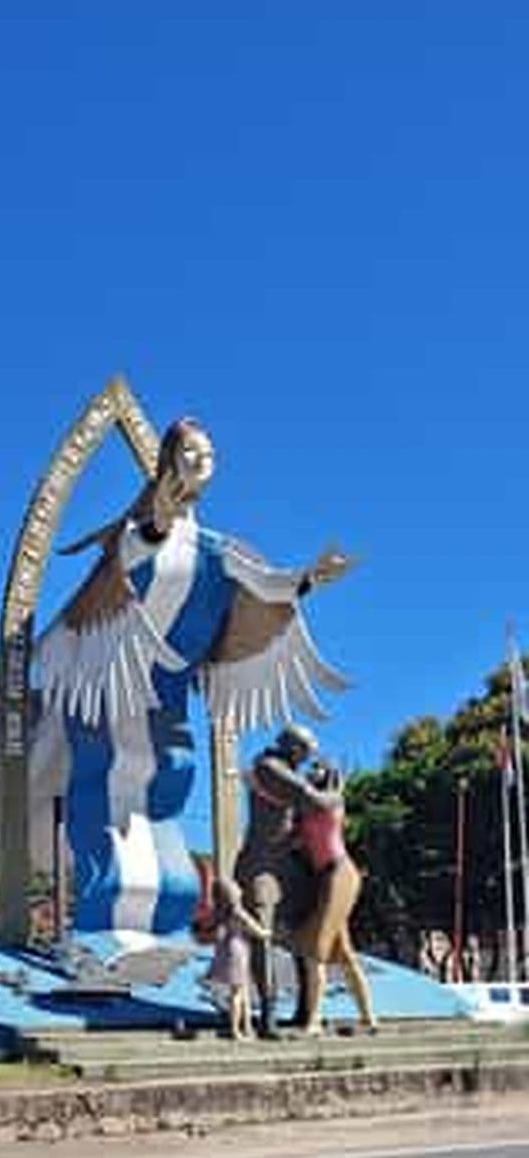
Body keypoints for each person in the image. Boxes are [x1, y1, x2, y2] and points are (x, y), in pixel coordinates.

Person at [34, 418, 350, 937]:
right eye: (192, 452)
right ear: (169, 460)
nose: (204, 461)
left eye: (210, 453)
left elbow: (268, 585)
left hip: (167, 700)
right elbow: (137, 550)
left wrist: (310, 578)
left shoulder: (215, 549)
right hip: (112, 690)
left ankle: (162, 932)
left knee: (172, 806)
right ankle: (101, 932)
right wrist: (161, 515)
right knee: (110, 801)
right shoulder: (141, 533)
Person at [234, 724, 339, 1036]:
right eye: (306, 752)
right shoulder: (268, 767)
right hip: (260, 864)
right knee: (262, 936)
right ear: (295, 748)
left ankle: (306, 1010)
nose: (309, 759)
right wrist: (335, 790)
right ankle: (268, 1014)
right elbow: (314, 801)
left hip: (287, 865)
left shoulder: (287, 770)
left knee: (302, 933)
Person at [292, 759, 377, 1035]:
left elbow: (304, 794)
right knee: (344, 953)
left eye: (318, 768)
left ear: (329, 775)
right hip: (325, 878)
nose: (312, 771)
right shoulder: (306, 808)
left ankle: (314, 1021)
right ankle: (369, 1018)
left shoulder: (330, 799)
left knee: (314, 948)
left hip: (340, 874)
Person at [206, 877, 268, 1040]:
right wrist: (268, 932)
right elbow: (257, 930)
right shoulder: (238, 911)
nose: (240, 889)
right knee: (238, 992)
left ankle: (247, 1026)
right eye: (236, 887)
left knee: (243, 989)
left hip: (226, 950)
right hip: (238, 952)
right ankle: (235, 1030)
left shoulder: (219, 912)